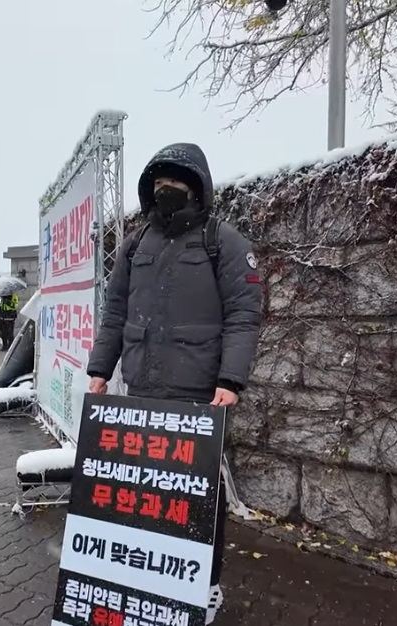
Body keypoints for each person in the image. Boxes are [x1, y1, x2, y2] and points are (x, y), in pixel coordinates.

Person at [84, 143, 262, 623]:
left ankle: (206, 585)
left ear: (197, 186)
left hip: (199, 395)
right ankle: (153, 578)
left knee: (201, 496)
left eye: (177, 182)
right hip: (141, 387)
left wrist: (231, 379)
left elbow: (244, 316)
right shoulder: (134, 245)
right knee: (146, 489)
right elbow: (115, 313)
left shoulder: (224, 242)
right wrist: (100, 370)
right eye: (159, 183)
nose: (168, 191)